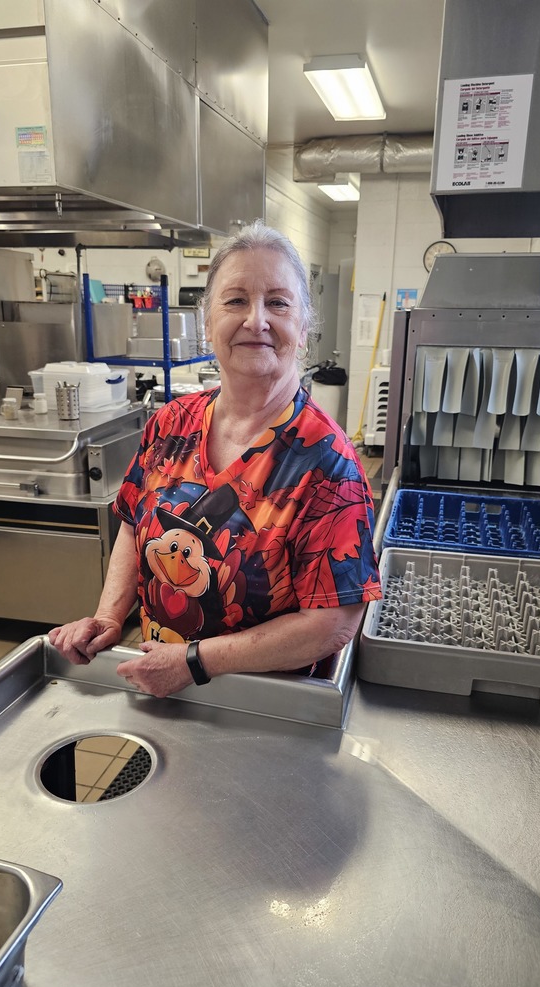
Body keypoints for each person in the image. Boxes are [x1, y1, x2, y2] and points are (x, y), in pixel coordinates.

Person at [49, 221, 382, 697]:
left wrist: (195, 663)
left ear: (304, 328)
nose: (256, 320)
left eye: (278, 302)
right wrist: (107, 617)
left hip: (262, 708)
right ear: (207, 323)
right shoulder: (171, 423)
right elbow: (130, 521)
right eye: (236, 300)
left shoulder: (326, 464)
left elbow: (334, 621)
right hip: (160, 684)